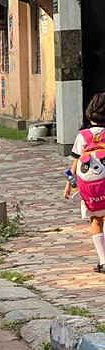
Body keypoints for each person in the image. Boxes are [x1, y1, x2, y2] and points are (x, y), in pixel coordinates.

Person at [65, 92, 105, 272]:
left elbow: (75, 162)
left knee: (96, 220)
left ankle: (103, 261)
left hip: (90, 189)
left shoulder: (82, 136)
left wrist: (69, 183)